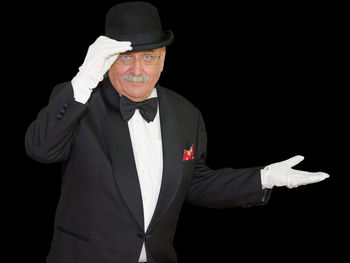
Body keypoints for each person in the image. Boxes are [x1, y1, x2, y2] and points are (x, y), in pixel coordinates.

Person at [25, 2, 329, 263]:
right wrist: (85, 76)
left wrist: (263, 177)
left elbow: (196, 184)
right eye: (125, 57)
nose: (137, 69)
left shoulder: (186, 114)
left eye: (148, 57)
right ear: (106, 61)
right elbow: (41, 149)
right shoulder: (78, 100)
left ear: (163, 60)